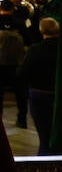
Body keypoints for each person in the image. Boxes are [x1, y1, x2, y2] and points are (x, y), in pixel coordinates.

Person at [19, 17, 59, 155]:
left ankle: (45, 166)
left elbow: (22, 72)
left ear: (41, 30)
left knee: (44, 135)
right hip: (58, 94)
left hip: (39, 94)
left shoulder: (35, 50)